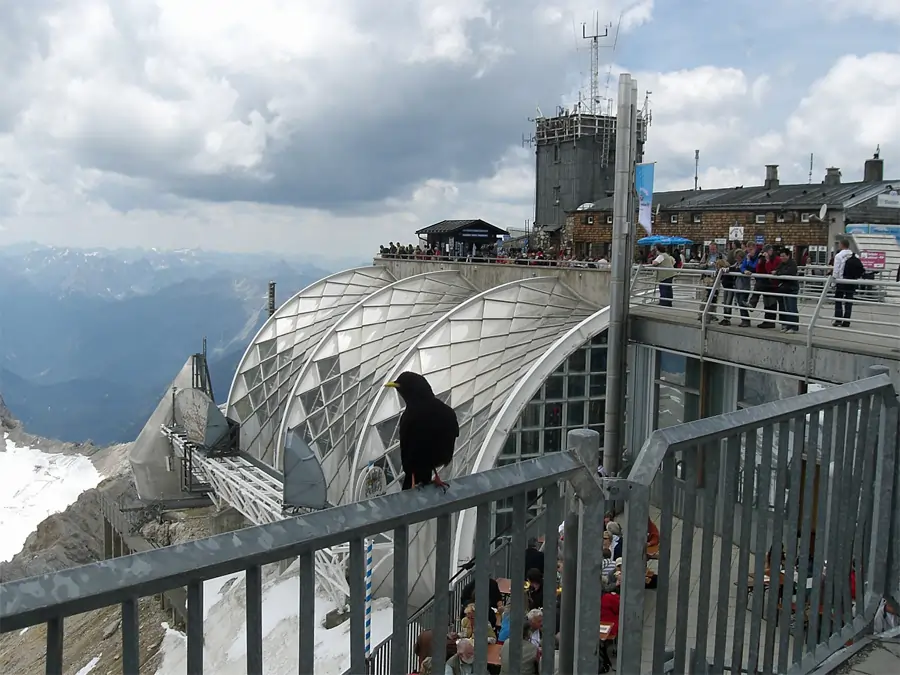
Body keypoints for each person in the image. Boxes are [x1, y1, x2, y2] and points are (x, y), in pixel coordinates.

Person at [832, 238, 862, 327]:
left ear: (841, 245)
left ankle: (838, 319)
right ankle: (847, 320)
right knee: (849, 301)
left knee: (838, 300)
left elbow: (836, 270)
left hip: (841, 281)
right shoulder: (855, 255)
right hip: (852, 281)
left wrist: (833, 282)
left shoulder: (839, 256)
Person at [774, 248, 799, 332]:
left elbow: (789, 273)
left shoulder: (793, 264)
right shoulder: (781, 264)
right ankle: (787, 325)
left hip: (792, 288)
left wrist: (779, 273)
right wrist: (778, 272)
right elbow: (777, 270)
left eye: (784, 256)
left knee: (792, 307)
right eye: (781, 256)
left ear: (788, 256)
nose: (782, 258)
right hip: (784, 288)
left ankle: (794, 327)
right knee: (786, 308)